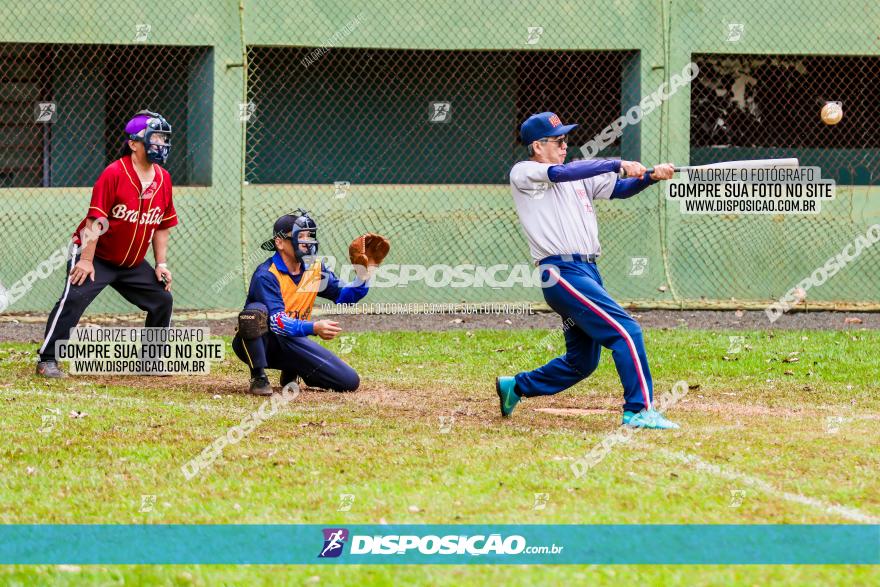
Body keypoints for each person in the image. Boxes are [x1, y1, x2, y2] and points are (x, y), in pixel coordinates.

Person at [496, 111, 680, 429]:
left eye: (567, 139)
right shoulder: (525, 172)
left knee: (582, 362)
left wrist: (649, 177)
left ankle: (517, 386)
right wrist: (616, 163)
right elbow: (562, 173)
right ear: (538, 146)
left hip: (588, 270)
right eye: (559, 140)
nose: (566, 145)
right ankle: (638, 409)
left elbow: (619, 189)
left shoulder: (575, 175)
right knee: (626, 331)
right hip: (560, 272)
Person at [36, 111, 177, 377]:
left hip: (131, 263)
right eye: (154, 137)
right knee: (74, 298)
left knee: (162, 299)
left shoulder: (164, 179)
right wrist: (86, 260)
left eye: (163, 138)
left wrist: (161, 264)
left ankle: (151, 360)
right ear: (134, 143)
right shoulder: (114, 173)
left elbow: (162, 224)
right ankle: (47, 359)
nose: (160, 143)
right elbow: (96, 221)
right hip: (96, 254)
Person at [232, 209, 371, 396]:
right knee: (253, 314)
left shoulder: (315, 268)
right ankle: (258, 376)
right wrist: (314, 327)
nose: (308, 242)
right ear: (279, 243)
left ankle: (293, 367)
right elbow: (278, 323)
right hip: (265, 345)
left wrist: (364, 274)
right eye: (300, 236)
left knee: (349, 381)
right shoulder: (266, 275)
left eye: (310, 235)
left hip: (293, 341)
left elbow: (344, 297)